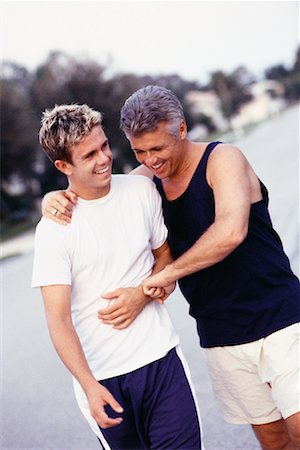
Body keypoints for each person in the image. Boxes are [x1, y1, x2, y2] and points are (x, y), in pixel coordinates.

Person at [42, 86, 300, 450]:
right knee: (274, 442)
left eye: (157, 148)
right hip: (221, 333)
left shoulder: (223, 158)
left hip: (281, 319)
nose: (150, 159)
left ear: (181, 130)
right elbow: (105, 194)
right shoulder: (146, 182)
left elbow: (230, 232)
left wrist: (158, 280)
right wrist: (53, 198)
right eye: (139, 151)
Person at [32, 103, 202, 450]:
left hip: (161, 360)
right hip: (103, 379)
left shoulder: (140, 192)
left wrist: (143, 291)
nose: (104, 158)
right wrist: (89, 386)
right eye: (89, 155)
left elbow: (165, 256)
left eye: (104, 145)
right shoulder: (53, 230)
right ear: (64, 166)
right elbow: (59, 320)